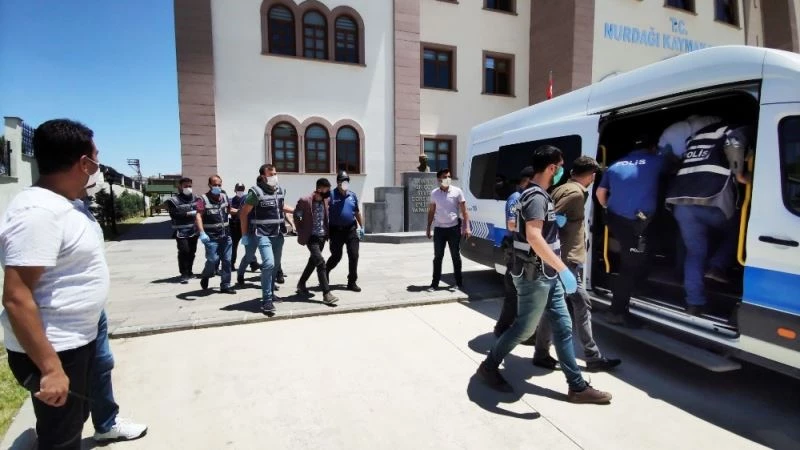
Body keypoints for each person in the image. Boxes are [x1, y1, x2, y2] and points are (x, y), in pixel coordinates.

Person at [0, 119, 109, 449]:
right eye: (96, 158)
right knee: (62, 436)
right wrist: (50, 369)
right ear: (84, 163)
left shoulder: (65, 203)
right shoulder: (38, 213)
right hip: (57, 348)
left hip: (77, 339)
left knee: (73, 419)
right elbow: (16, 297)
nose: (98, 166)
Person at [476, 145, 612, 404]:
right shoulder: (537, 197)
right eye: (559, 166)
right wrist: (563, 269)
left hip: (547, 274)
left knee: (563, 327)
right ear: (551, 168)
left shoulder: (538, 194)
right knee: (524, 328)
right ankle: (489, 366)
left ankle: (577, 386)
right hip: (535, 275)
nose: (562, 171)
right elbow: (534, 237)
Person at [666, 123, 752, 315]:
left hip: (681, 202)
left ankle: (694, 303)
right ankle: (717, 266)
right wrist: (740, 175)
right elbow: (735, 142)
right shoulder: (734, 129)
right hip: (712, 198)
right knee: (740, 230)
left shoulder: (695, 138)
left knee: (695, 253)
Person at [544, 156, 621, 371]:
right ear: (592, 176)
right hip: (566, 260)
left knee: (554, 305)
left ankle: (541, 350)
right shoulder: (575, 193)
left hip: (561, 258)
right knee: (580, 305)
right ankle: (592, 357)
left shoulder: (561, 188)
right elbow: (552, 219)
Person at [596, 134, 667, 326]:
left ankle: (636, 287)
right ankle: (616, 312)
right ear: (652, 148)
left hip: (617, 220)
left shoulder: (615, 165)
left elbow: (600, 193)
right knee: (630, 266)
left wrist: (609, 208)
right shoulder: (657, 161)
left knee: (637, 257)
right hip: (637, 223)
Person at [237, 165, 294, 313]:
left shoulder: (280, 190)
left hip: (278, 234)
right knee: (268, 264)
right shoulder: (255, 192)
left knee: (275, 266)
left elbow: (281, 206)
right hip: (262, 234)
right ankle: (266, 300)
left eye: (275, 173)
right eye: (271, 174)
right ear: (263, 176)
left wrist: (296, 210)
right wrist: (244, 235)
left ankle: (271, 294)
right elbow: (243, 213)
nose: (274, 176)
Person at [494, 166, 537, 347]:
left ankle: (507, 328)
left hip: (522, 249)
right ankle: (506, 329)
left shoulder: (525, 196)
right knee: (515, 291)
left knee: (518, 292)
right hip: (515, 249)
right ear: (527, 180)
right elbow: (511, 224)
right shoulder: (516, 198)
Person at [294, 178, 339, 305]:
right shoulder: (305, 201)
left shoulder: (326, 200)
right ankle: (326, 294)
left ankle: (301, 283)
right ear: (319, 189)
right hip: (311, 237)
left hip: (322, 237)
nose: (328, 192)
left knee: (313, 262)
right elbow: (297, 216)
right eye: (326, 189)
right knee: (320, 262)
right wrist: (301, 230)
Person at [426, 168, 471, 290]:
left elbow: (464, 211)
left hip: (453, 229)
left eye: (449, 176)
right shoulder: (434, 193)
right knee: (438, 257)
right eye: (445, 177)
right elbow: (432, 211)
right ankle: (434, 284)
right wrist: (428, 227)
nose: (448, 179)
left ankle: (458, 283)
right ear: (439, 179)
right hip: (439, 229)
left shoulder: (457, 191)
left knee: (455, 256)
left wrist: (467, 227)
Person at [326, 171, 365, 292]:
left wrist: (362, 227)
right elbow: (324, 212)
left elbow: (357, 212)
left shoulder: (352, 196)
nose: (344, 183)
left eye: (346, 181)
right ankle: (325, 270)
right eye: (342, 181)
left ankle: (352, 282)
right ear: (337, 182)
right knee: (336, 256)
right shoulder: (331, 195)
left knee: (354, 255)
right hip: (335, 231)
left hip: (351, 229)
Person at [196, 175, 235, 294]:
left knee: (227, 261)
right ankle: (206, 275)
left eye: (219, 185)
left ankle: (225, 285)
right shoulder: (202, 199)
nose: (217, 187)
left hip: (226, 236)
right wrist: (202, 232)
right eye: (214, 185)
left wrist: (242, 211)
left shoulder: (224, 197)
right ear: (209, 185)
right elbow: (198, 216)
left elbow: (230, 210)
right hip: (211, 237)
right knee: (213, 260)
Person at [165, 177, 199, 284]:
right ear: (180, 186)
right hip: (181, 231)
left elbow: (201, 211)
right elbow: (175, 214)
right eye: (185, 186)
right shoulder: (173, 200)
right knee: (184, 251)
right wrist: (189, 213)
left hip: (194, 230)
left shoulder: (197, 198)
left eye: (190, 186)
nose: (188, 188)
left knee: (192, 251)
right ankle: (183, 274)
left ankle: (189, 271)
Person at [658, 114, 722, 160]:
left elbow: (682, 154)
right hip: (696, 126)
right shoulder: (666, 137)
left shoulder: (670, 139)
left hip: (701, 127)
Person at [228, 183, 246, 268]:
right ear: (235, 190)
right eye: (239, 189)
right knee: (233, 246)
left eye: (242, 189)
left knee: (249, 245)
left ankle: (253, 263)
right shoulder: (231, 200)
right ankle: (231, 263)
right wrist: (241, 211)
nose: (240, 191)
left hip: (245, 225)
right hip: (235, 225)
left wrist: (237, 211)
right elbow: (229, 210)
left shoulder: (246, 199)